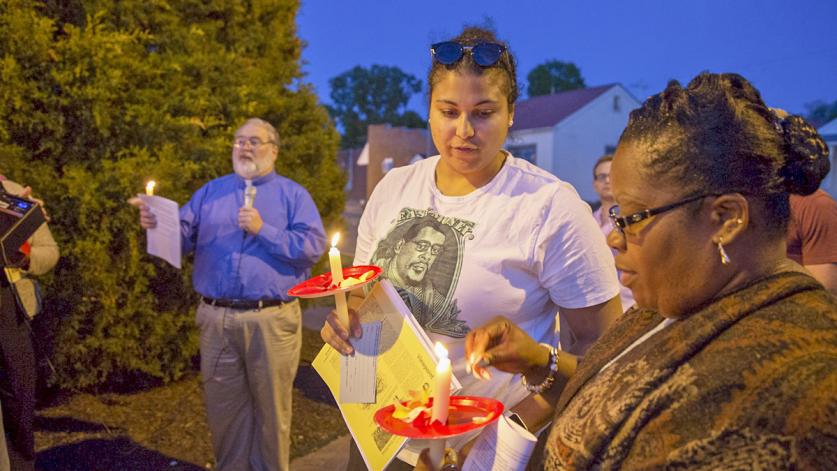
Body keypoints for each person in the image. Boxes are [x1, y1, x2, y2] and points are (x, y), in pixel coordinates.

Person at [443, 73, 837, 470]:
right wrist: (536, 360)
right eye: (616, 215)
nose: (615, 239)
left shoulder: (788, 393)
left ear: (726, 218)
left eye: (634, 216)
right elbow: (616, 383)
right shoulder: (683, 299)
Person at [321, 27, 622, 469]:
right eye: (448, 111)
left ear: (511, 113)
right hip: (383, 441)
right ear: (429, 110)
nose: (463, 131)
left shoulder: (549, 207)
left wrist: (501, 440)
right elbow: (367, 297)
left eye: (483, 113)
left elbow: (602, 348)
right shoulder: (394, 189)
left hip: (483, 450)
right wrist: (343, 321)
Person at [130, 118, 327, 471]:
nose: (244, 147)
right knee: (224, 413)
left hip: (271, 319)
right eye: (239, 141)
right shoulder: (211, 192)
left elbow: (312, 247)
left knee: (271, 413)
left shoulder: (292, 195)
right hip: (215, 319)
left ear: (274, 150)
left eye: (254, 140)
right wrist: (157, 223)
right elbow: (181, 238)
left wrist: (262, 230)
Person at [0, 175, 59, 471]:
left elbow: (49, 252)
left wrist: (21, 256)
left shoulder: (14, 195)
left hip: (10, 310)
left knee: (18, 398)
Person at [591, 155, 635, 311]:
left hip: (630, 300)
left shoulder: (633, 221)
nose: (607, 181)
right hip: (597, 304)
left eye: (612, 176)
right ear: (595, 183)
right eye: (602, 177)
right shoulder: (588, 220)